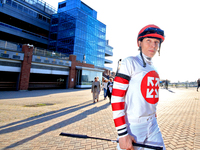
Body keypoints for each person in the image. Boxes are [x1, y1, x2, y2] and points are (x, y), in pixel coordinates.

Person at [111, 24, 166, 150]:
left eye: (156, 42)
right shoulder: (129, 62)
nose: (153, 45)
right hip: (133, 127)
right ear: (139, 43)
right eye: (149, 41)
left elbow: (149, 95)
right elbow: (116, 98)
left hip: (153, 124)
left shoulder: (154, 68)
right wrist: (122, 134)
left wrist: (151, 110)